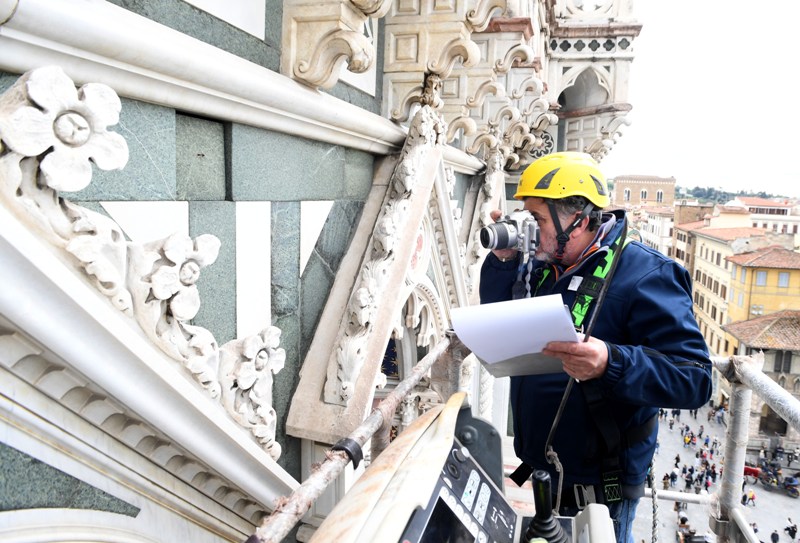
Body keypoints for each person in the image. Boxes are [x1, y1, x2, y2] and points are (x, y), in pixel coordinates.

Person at [480, 152, 712, 543]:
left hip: (599, 487)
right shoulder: (544, 263)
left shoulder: (646, 275)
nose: (528, 230)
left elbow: (695, 379)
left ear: (580, 220)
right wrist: (504, 261)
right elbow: (500, 317)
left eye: (536, 220)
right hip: (544, 469)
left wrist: (611, 362)